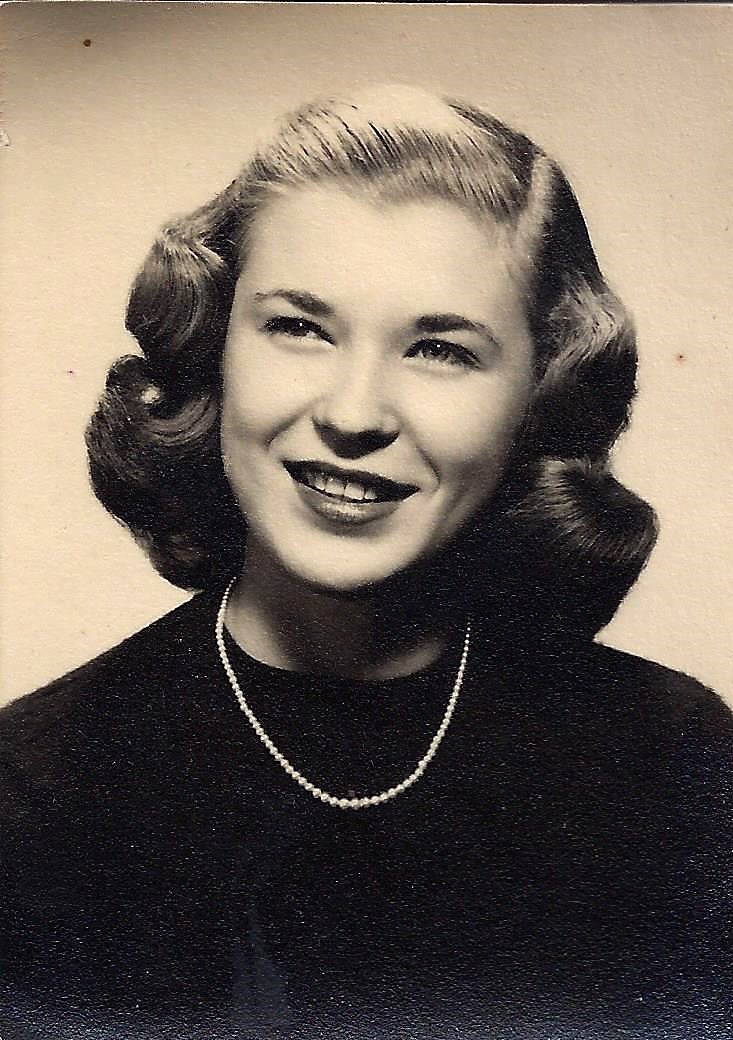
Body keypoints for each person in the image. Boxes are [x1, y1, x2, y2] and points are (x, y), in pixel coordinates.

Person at [1, 85, 731, 1040]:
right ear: (213, 353)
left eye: (439, 349)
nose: (352, 414)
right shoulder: (33, 791)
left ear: (538, 396)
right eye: (299, 328)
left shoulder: (676, 760)